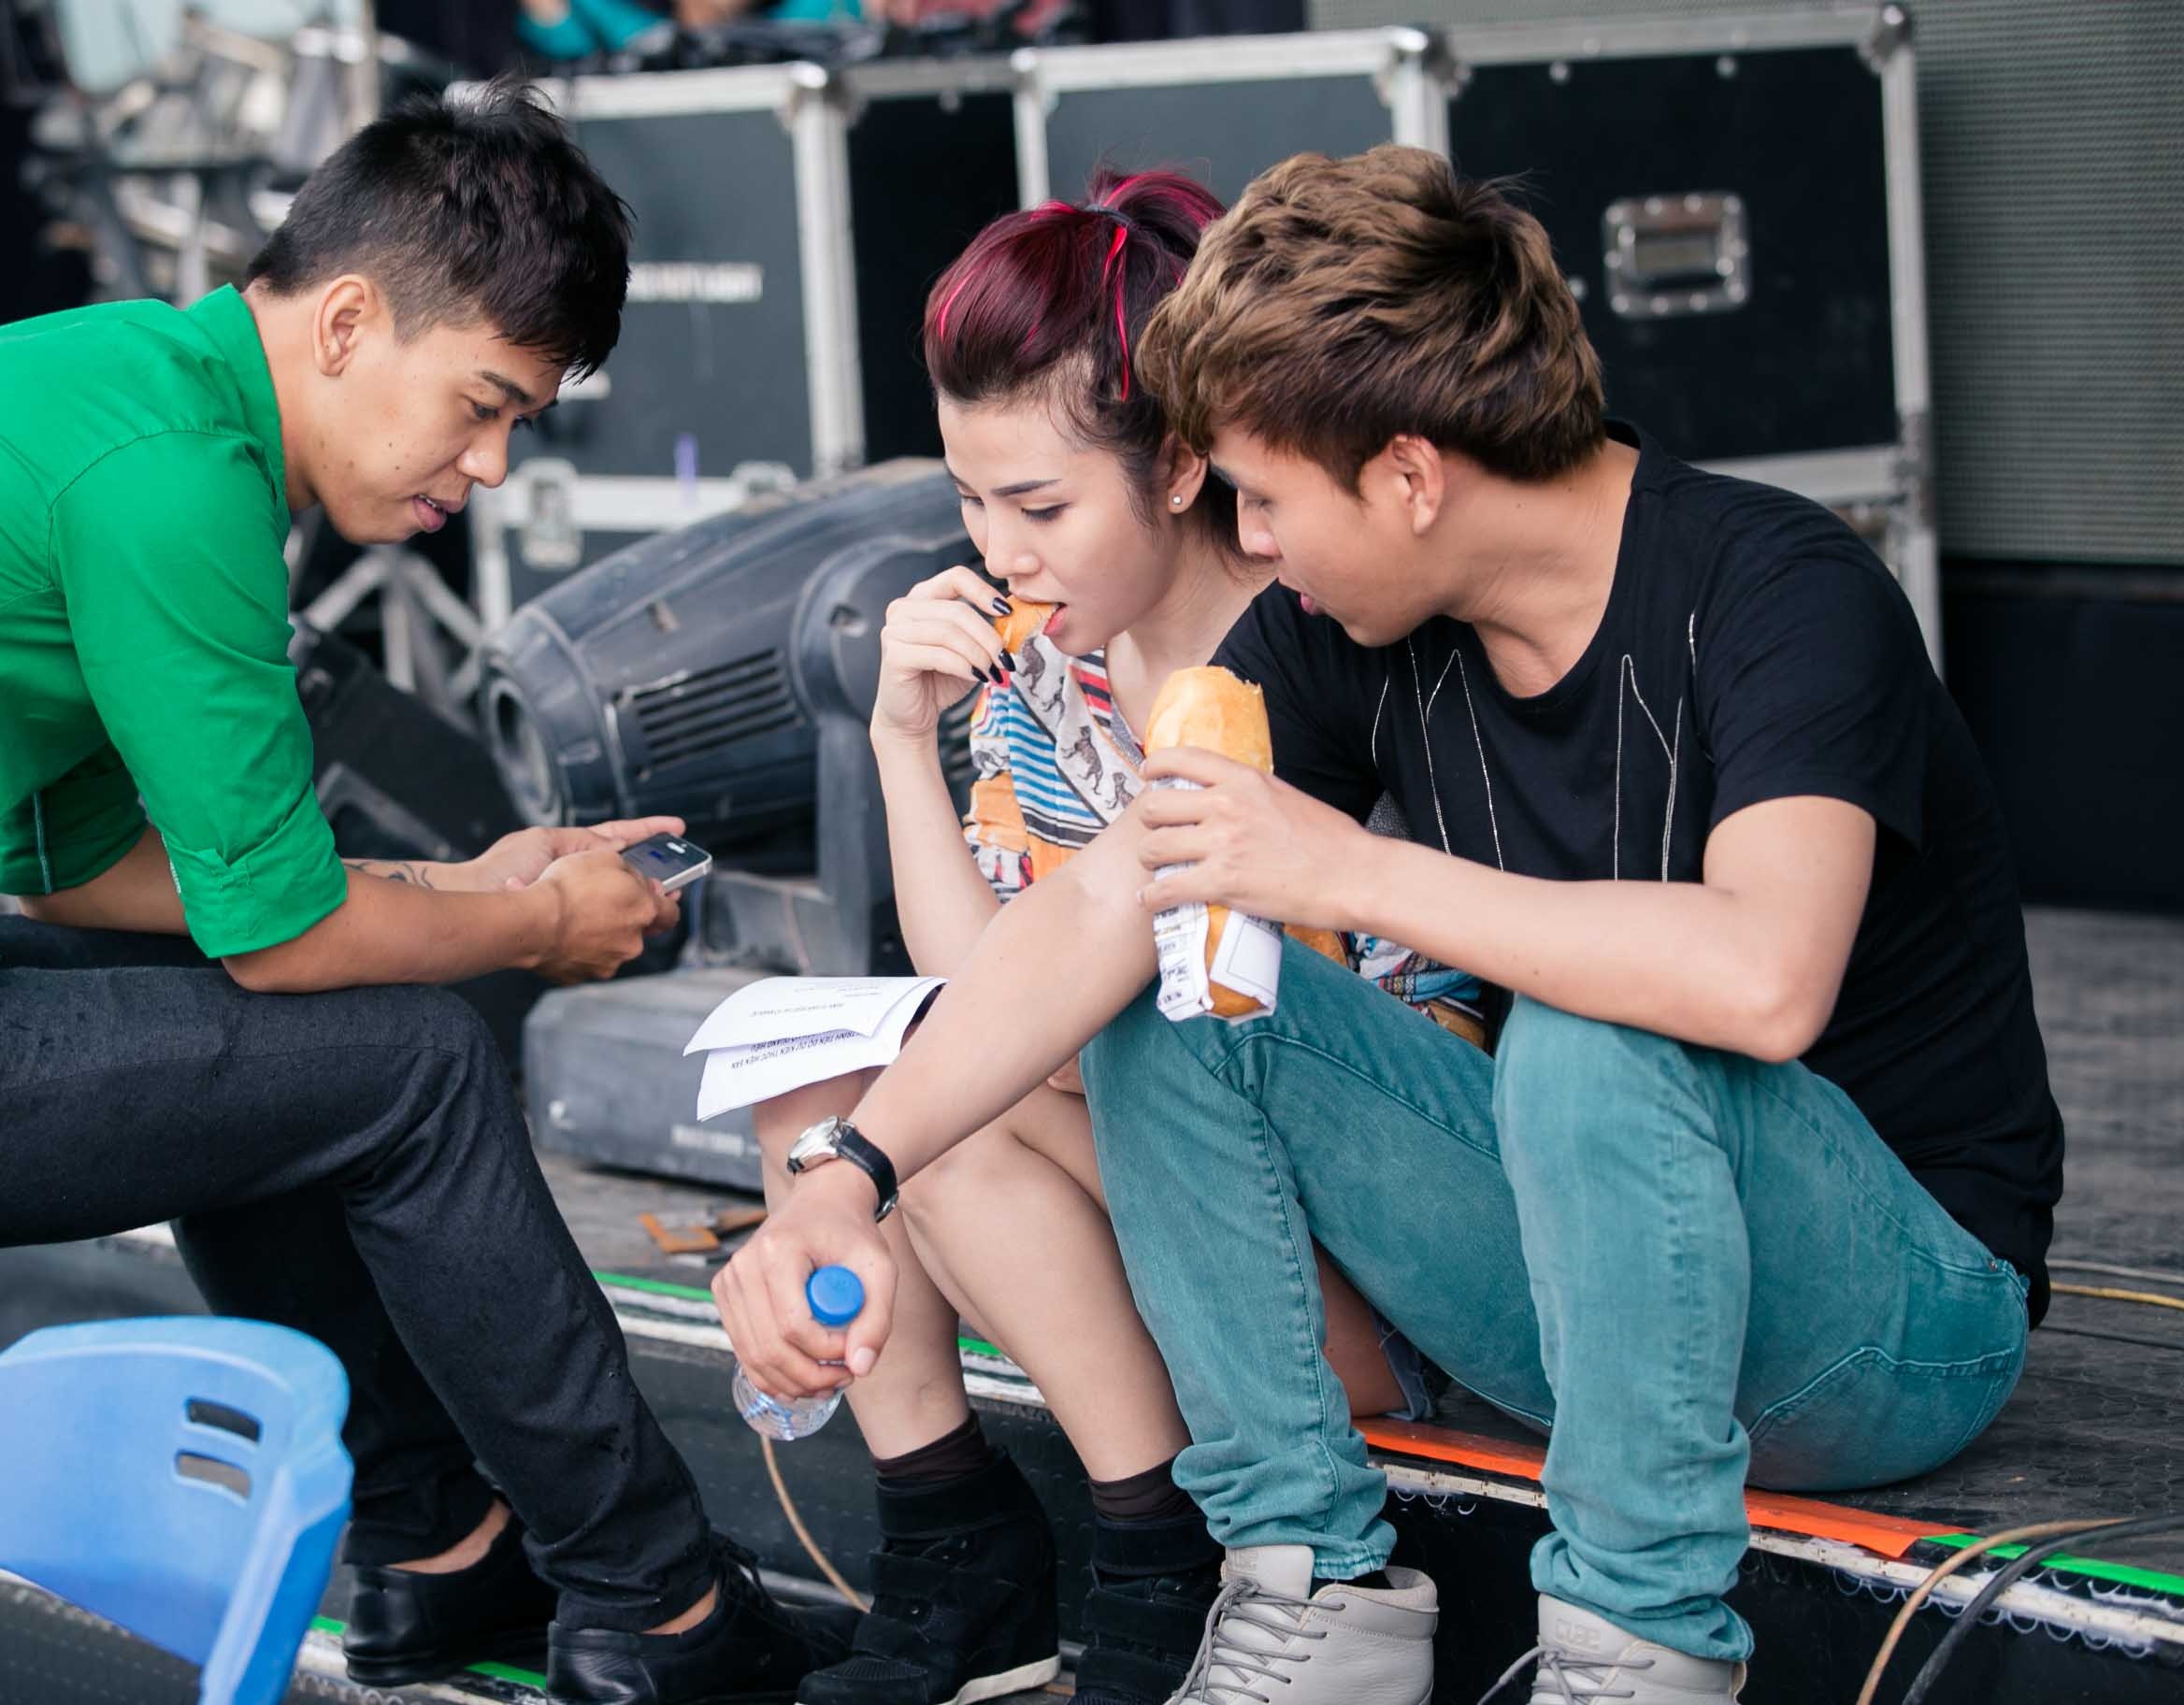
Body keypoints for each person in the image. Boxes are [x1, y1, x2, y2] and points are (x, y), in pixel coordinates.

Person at [716, 146, 2061, 1705]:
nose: (1253, 541)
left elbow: (1764, 977)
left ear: (1410, 477)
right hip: (1583, 1296)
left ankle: (1633, 1653)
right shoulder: (1349, 631)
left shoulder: (1779, 590)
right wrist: (846, 1176)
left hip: (1890, 1323)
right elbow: (1093, 907)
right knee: (1168, 975)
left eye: (1268, 495)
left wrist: (1343, 871)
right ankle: (1311, 1604)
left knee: (1595, 1029)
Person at [0, 82, 855, 1703]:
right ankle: (661, 1606)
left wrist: (464, 878)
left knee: (291, 1049)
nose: (491, 464)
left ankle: (440, 1555)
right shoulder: (175, 471)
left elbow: (77, 874)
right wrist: (540, 923)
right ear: (347, 322)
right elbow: (282, 936)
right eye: (483, 403)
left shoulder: (121, 397)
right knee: (411, 1065)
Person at [729, 167, 1475, 1705]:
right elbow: (976, 992)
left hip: (1354, 1283)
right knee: (823, 1092)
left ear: (1184, 465)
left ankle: (1155, 1555)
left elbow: (1382, 1082)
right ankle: (957, 1545)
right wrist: (900, 742)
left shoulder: (1336, 652)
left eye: (1040, 505)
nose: (999, 549)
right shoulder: (1043, 672)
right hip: (1155, 1219)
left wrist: (1025, 1051)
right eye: (967, 501)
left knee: (947, 1114)